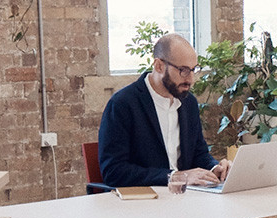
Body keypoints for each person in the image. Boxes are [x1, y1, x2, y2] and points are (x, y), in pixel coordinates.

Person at [98, 33, 230, 187]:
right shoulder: (122, 104)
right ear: (159, 65)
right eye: (183, 70)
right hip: (144, 201)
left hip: (186, 197)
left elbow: (198, 155)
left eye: (194, 70)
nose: (190, 79)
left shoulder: (188, 103)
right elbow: (113, 172)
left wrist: (215, 169)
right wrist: (174, 177)